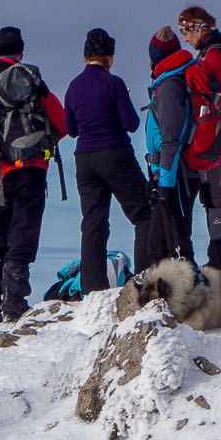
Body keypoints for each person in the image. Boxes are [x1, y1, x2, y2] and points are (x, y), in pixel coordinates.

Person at [0, 26, 68, 323]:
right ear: (21, 53)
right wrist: (37, 149)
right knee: (22, 234)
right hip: (31, 168)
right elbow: (60, 122)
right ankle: (14, 303)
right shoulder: (32, 81)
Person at [62, 27, 153, 294]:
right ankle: (144, 279)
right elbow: (132, 124)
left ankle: (93, 288)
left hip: (84, 158)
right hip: (114, 152)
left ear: (85, 55)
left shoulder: (73, 86)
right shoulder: (113, 84)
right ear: (109, 57)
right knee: (144, 212)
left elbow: (71, 129)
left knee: (93, 220)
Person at [176, 6, 221, 267]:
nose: (184, 37)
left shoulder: (214, 54)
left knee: (213, 193)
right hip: (219, 131)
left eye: (186, 30)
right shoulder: (217, 50)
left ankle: (220, 252)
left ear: (198, 27)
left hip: (214, 132)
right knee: (216, 192)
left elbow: (214, 92)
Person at [142, 26, 198, 270]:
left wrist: (164, 184)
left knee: (170, 246)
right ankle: (169, 300)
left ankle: (185, 297)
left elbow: (171, 140)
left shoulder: (169, 87)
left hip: (175, 176)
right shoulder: (174, 80)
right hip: (174, 173)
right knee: (164, 245)